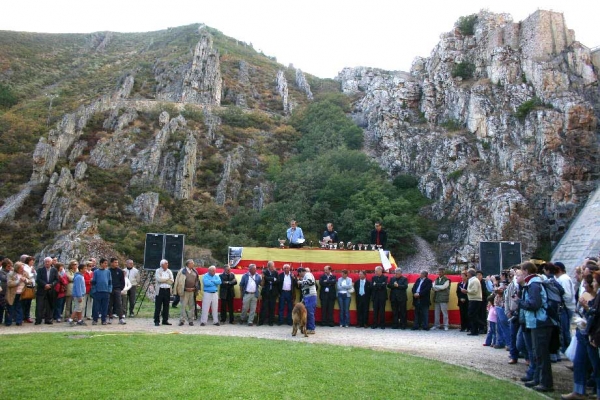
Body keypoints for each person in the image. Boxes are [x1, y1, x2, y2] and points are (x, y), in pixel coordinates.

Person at [516, 261, 555, 393]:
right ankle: (538, 379)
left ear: (526, 271)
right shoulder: (533, 283)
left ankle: (546, 382)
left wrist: (519, 302)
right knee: (537, 352)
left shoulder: (534, 285)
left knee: (541, 353)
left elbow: (534, 304)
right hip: (536, 322)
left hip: (540, 322)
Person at [561, 272, 600, 400]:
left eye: (593, 281)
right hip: (585, 332)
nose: (591, 284)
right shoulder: (594, 296)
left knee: (597, 367)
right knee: (579, 363)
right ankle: (578, 391)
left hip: (594, 336)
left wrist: (587, 308)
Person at [555, 261, 575, 356]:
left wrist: (562, 303)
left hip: (565, 307)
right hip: (564, 307)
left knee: (565, 329)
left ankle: (568, 350)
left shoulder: (564, 279)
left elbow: (567, 295)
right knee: (563, 329)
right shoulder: (562, 278)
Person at [173, 259, 200, 326]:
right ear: (188, 264)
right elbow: (178, 281)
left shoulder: (195, 271)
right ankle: (182, 320)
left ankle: (191, 320)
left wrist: (195, 288)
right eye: (192, 263)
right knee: (183, 306)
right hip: (184, 292)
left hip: (192, 292)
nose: (193, 264)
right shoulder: (182, 271)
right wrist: (184, 289)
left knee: (192, 307)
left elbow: (197, 281)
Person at [6, 262, 31, 326]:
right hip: (12, 294)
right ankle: (8, 322)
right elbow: (9, 283)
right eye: (21, 268)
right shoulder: (11, 274)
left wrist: (25, 280)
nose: (22, 269)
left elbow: (30, 281)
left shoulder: (25, 273)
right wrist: (18, 281)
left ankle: (19, 321)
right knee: (10, 307)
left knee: (19, 307)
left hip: (21, 293)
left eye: (23, 268)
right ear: (17, 268)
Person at [35, 257, 58, 325]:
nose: (47, 263)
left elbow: (56, 280)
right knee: (39, 305)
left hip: (51, 291)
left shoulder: (54, 270)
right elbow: (38, 279)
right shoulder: (40, 270)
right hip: (42, 290)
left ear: (51, 262)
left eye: (48, 262)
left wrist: (50, 285)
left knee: (49, 305)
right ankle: (38, 320)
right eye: (46, 262)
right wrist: (45, 285)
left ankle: (48, 319)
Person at [91, 258, 112, 326]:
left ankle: (104, 320)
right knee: (96, 307)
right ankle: (95, 319)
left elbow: (110, 282)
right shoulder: (96, 272)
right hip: (98, 292)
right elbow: (93, 282)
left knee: (105, 307)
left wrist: (109, 290)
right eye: (105, 263)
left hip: (106, 292)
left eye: (106, 263)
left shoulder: (108, 272)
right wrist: (94, 290)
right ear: (101, 263)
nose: (106, 264)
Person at [462, 268, 482, 336]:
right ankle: (474, 330)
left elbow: (474, 291)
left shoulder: (475, 280)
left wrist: (467, 291)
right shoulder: (471, 280)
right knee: (472, 315)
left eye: (467, 273)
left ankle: (476, 329)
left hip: (475, 299)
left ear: (470, 274)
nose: (466, 274)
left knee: (472, 315)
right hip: (472, 299)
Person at [154, 259, 174, 327]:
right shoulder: (158, 271)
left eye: (167, 263)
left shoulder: (169, 271)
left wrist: (164, 280)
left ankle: (165, 320)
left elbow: (172, 281)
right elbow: (158, 279)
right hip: (160, 290)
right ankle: (156, 321)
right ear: (162, 264)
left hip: (167, 290)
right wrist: (167, 280)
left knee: (166, 306)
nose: (167, 264)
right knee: (158, 306)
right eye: (166, 263)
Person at [259, 261, 279, 326]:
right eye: (272, 266)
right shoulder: (264, 272)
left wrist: (269, 279)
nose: (274, 267)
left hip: (273, 293)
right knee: (264, 307)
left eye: (274, 266)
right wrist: (273, 279)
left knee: (272, 308)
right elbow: (265, 278)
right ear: (269, 266)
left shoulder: (276, 272)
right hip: (266, 293)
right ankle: (261, 321)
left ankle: (271, 322)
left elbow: (278, 281)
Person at [298, 267, 317, 334]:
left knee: (310, 313)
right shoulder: (305, 276)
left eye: (299, 273)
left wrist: (300, 282)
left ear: (301, 272)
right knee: (306, 313)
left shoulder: (308, 274)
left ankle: (311, 329)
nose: (299, 275)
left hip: (311, 296)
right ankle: (308, 327)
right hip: (307, 296)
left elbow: (310, 282)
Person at [108, 258, 126, 325]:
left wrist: (120, 288)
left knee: (119, 304)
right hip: (110, 289)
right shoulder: (108, 271)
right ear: (111, 263)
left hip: (117, 289)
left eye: (117, 262)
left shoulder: (120, 271)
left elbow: (122, 281)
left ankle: (121, 318)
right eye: (115, 262)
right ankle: (110, 317)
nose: (116, 264)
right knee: (110, 304)